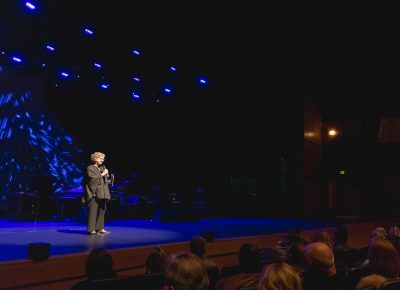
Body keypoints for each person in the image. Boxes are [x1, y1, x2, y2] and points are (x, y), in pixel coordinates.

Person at [83, 152, 113, 235]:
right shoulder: (90, 168)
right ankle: (91, 230)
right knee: (93, 211)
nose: (102, 160)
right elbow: (92, 179)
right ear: (95, 158)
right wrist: (102, 174)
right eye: (101, 158)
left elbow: (104, 181)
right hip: (94, 194)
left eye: (103, 159)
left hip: (103, 193)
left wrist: (109, 179)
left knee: (102, 211)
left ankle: (100, 228)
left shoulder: (102, 168)